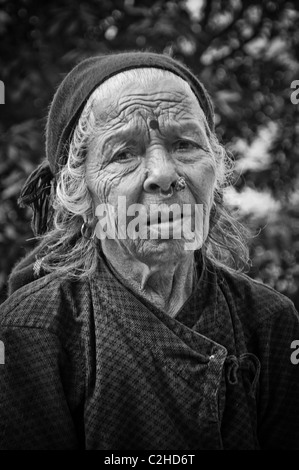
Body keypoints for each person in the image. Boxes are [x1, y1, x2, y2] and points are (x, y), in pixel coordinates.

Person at [0, 51, 299, 451]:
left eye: (184, 145)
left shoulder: (270, 320)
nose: (163, 174)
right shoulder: (30, 331)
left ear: (216, 170)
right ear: (80, 194)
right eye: (124, 153)